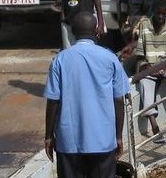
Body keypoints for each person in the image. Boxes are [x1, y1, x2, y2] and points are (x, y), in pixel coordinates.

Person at [43, 13, 130, 178]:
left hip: (68, 143)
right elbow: (119, 100)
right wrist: (118, 136)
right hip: (103, 141)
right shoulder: (110, 58)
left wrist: (48, 136)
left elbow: (53, 101)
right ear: (96, 31)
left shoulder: (60, 60)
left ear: (73, 32)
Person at [134, 0, 166, 144]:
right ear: (153, 12)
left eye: (163, 14)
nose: (160, 16)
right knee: (144, 83)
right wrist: (147, 68)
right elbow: (140, 54)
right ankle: (155, 127)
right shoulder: (145, 25)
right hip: (150, 67)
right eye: (158, 13)